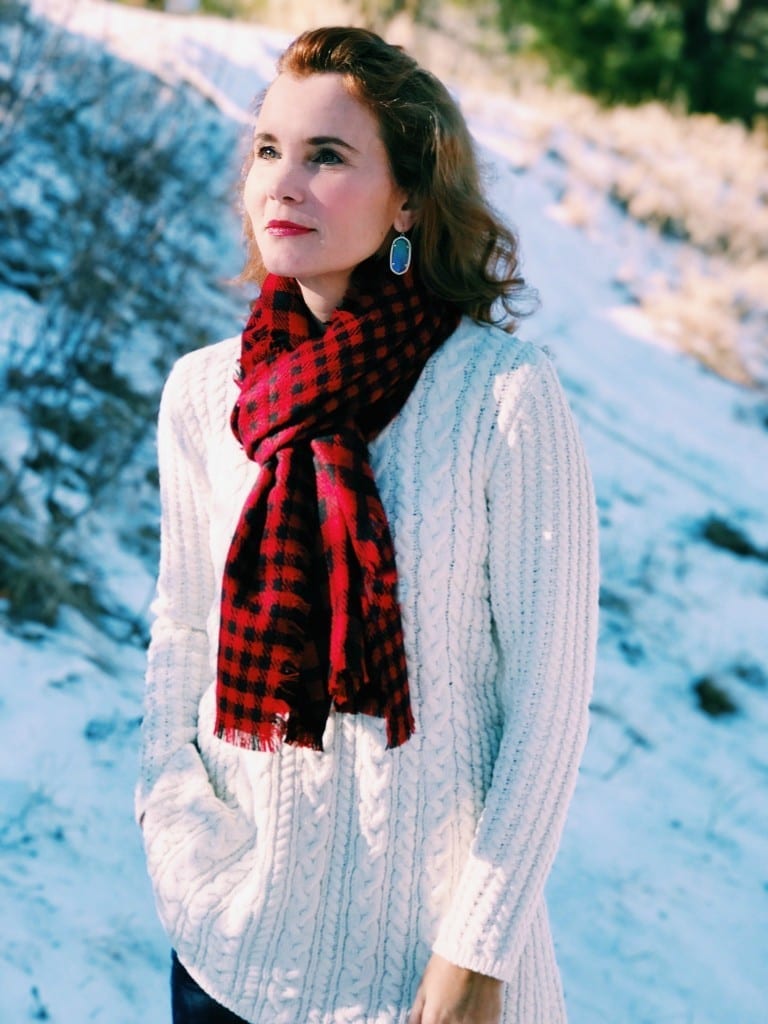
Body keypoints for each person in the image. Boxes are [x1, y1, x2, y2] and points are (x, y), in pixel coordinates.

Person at [136, 25, 599, 1024]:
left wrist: (477, 950)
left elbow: (549, 705)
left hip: (426, 983)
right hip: (227, 956)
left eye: (328, 156)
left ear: (408, 200)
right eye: (268, 149)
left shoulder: (504, 397)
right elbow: (181, 630)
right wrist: (173, 833)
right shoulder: (204, 392)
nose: (282, 184)